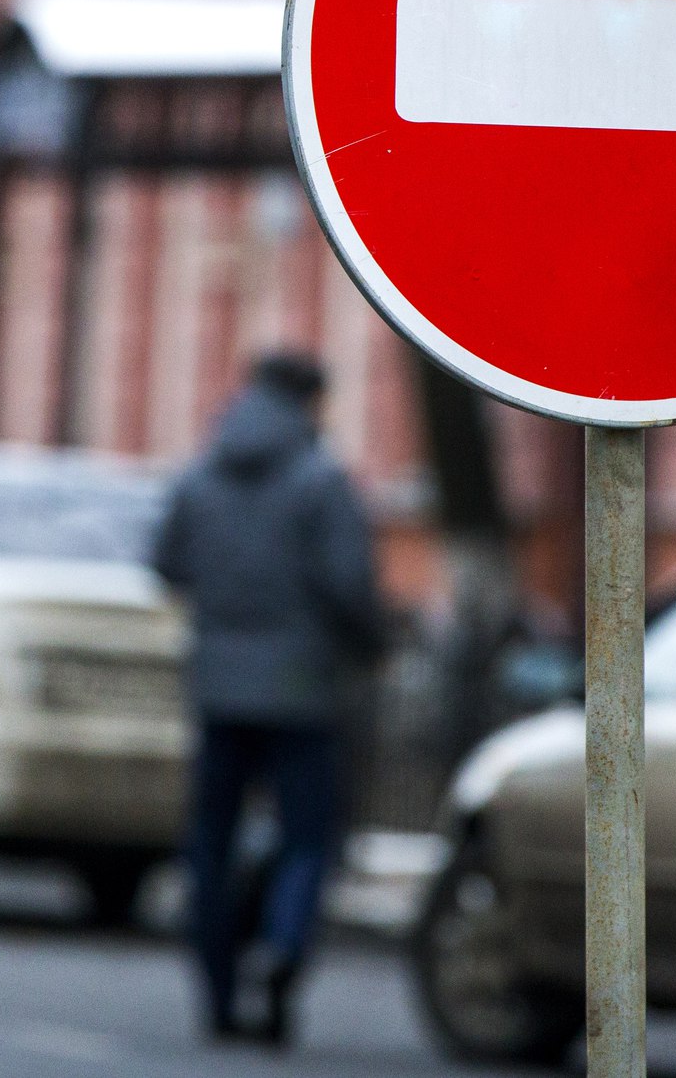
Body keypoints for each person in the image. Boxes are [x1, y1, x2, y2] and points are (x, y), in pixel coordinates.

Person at [152, 351, 385, 1047]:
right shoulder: (321, 481)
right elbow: (350, 585)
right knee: (306, 836)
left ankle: (217, 989)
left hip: (218, 685)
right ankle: (283, 946)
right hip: (304, 688)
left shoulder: (199, 474)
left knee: (210, 839)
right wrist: (372, 643)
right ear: (312, 401)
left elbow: (166, 563)